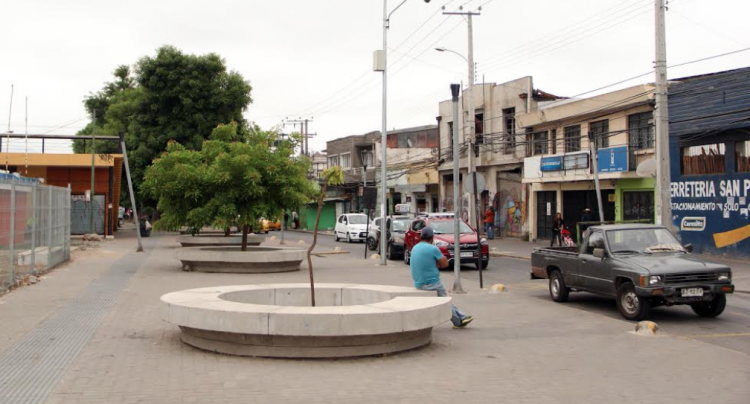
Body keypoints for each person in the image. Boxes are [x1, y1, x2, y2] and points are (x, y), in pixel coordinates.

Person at [409, 227, 473, 329]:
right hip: (432, 283)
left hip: (418, 283)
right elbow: (445, 264)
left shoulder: (415, 248)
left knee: (445, 299)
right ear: (432, 237)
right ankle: (459, 320)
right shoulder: (433, 248)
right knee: (445, 301)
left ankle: (461, 317)